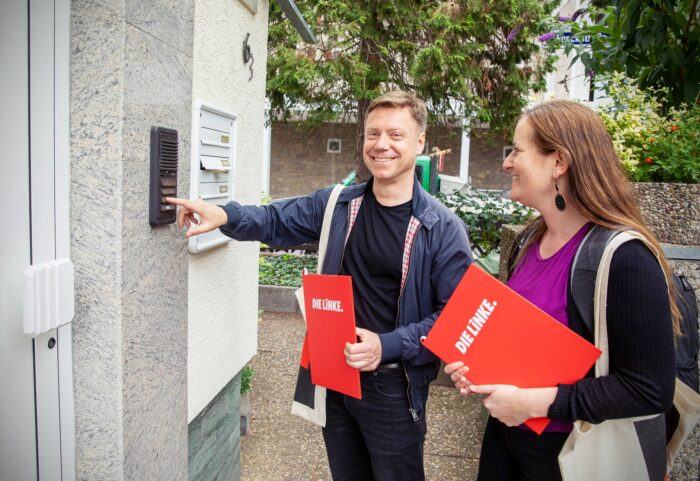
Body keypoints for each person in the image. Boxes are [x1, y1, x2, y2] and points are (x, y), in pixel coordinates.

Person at [167, 90, 473, 481]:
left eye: (395, 135)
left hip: (395, 390)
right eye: (372, 133)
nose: (381, 145)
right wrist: (224, 213)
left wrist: (388, 345)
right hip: (337, 377)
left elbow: (455, 320)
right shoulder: (338, 205)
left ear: (419, 142)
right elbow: (275, 220)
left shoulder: (442, 229)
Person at [445, 100, 678, 481]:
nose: (507, 163)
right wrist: (476, 367)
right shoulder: (528, 243)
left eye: (517, 151)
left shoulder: (625, 258)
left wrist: (534, 403)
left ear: (559, 163)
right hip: (505, 443)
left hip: (570, 457)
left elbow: (649, 389)